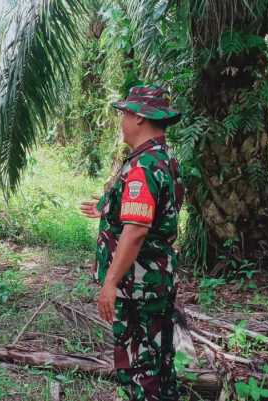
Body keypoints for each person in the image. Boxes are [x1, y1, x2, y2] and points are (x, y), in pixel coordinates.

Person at [80, 85, 184, 401]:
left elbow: (137, 230)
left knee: (141, 368)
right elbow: (153, 212)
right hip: (156, 281)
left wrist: (110, 282)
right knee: (160, 362)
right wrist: (107, 206)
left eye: (125, 114)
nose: (122, 121)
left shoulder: (143, 166)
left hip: (137, 285)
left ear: (139, 118)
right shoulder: (162, 158)